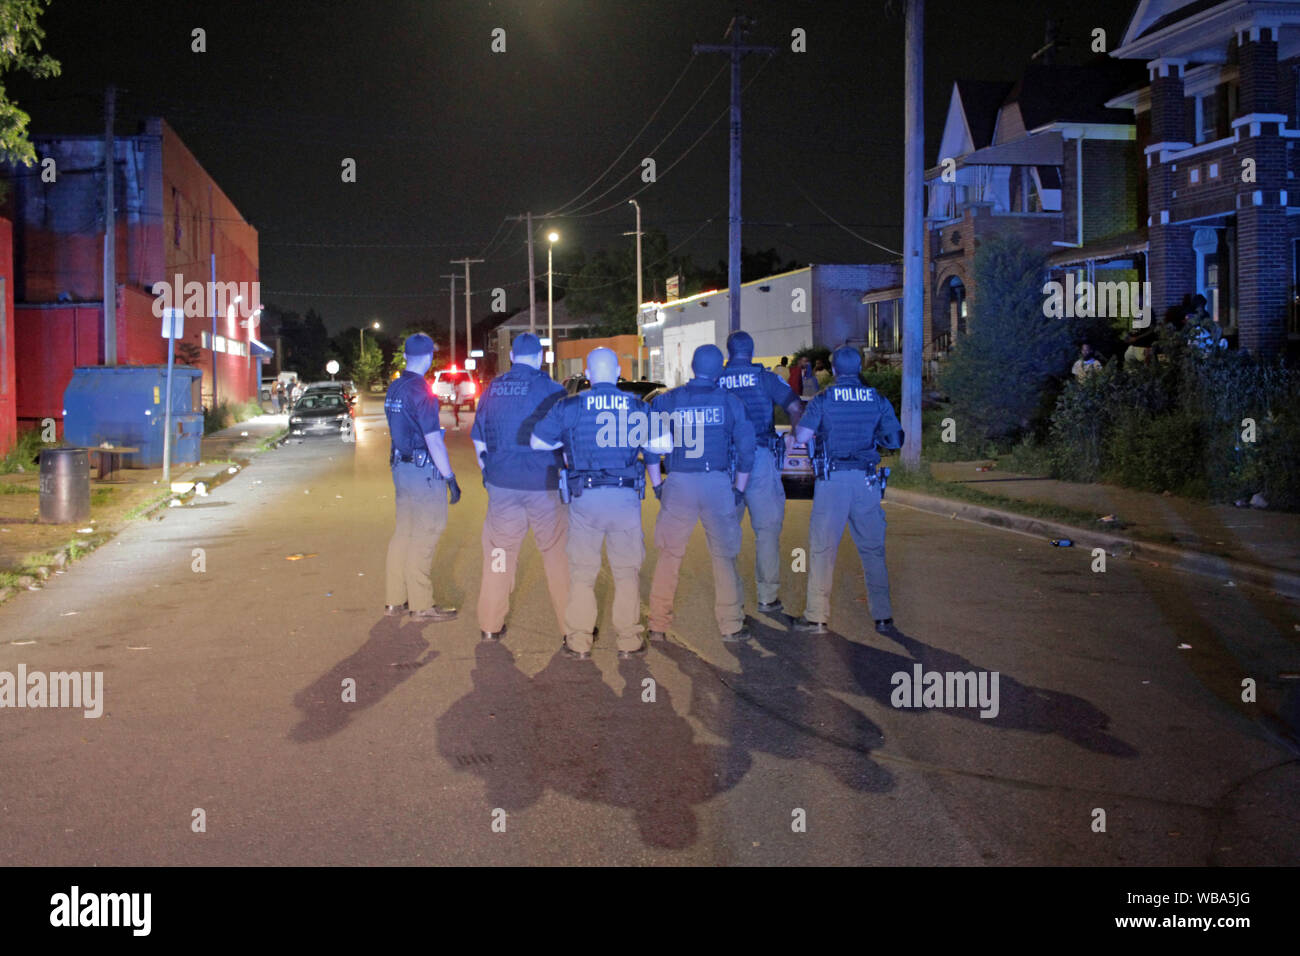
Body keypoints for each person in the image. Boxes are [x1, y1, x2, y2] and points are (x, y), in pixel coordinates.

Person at [531, 347, 652, 660]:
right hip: (625, 498)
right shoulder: (637, 406)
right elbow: (663, 444)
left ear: (586, 374)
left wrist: (566, 441)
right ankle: (628, 641)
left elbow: (538, 441)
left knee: (583, 573)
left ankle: (580, 642)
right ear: (616, 373)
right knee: (626, 572)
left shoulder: (569, 405)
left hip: (585, 498)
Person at [646, 344, 756, 643]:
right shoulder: (730, 402)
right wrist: (739, 488)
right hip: (717, 483)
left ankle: (657, 624)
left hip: (679, 481)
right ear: (719, 369)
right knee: (724, 556)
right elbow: (747, 450)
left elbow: (653, 448)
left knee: (669, 555)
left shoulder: (669, 400)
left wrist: (658, 485)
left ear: (693, 367)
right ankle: (731, 625)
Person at [791, 345, 903, 637]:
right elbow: (894, 440)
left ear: (835, 370)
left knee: (823, 550)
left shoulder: (824, 399)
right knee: (872, 550)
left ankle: (816, 617)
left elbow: (802, 436)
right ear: (859, 368)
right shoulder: (877, 398)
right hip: (867, 483)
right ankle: (883, 616)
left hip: (833, 482)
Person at [471, 333, 569, 643]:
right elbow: (567, 442)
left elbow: (478, 439)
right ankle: (572, 630)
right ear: (540, 358)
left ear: (511, 357)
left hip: (503, 486)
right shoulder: (554, 391)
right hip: (544, 486)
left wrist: (489, 472)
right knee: (557, 556)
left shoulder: (491, 391)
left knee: (499, 555)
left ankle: (490, 625)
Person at [717, 330, 802, 613]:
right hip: (760, 457)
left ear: (728, 352)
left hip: (725, 463)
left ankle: (732, 601)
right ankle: (767, 597)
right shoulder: (765, 378)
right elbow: (795, 406)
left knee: (726, 532)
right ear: (751, 351)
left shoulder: (715, 379)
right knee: (766, 530)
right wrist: (794, 438)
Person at [382, 333, 461, 621]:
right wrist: (449, 476)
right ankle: (421, 605)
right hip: (422, 472)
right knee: (427, 531)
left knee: (404, 531)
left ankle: (394, 599)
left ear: (405, 356)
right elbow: (434, 441)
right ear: (428, 358)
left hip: (400, 469)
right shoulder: (421, 391)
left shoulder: (395, 387)